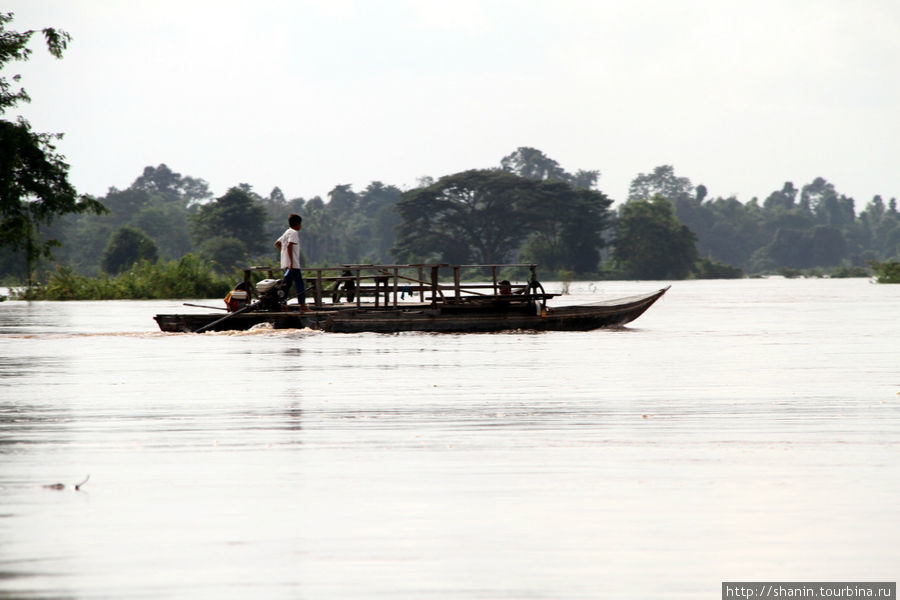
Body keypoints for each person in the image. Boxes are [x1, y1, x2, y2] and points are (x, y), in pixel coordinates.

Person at [274, 214, 310, 311]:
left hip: (286, 264)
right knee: (299, 283)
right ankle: (303, 306)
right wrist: (291, 261)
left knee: (287, 284)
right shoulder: (294, 232)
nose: (300, 226)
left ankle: (283, 305)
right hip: (293, 264)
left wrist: (283, 255)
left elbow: (277, 243)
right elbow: (289, 246)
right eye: (300, 224)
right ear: (298, 224)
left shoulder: (287, 232)